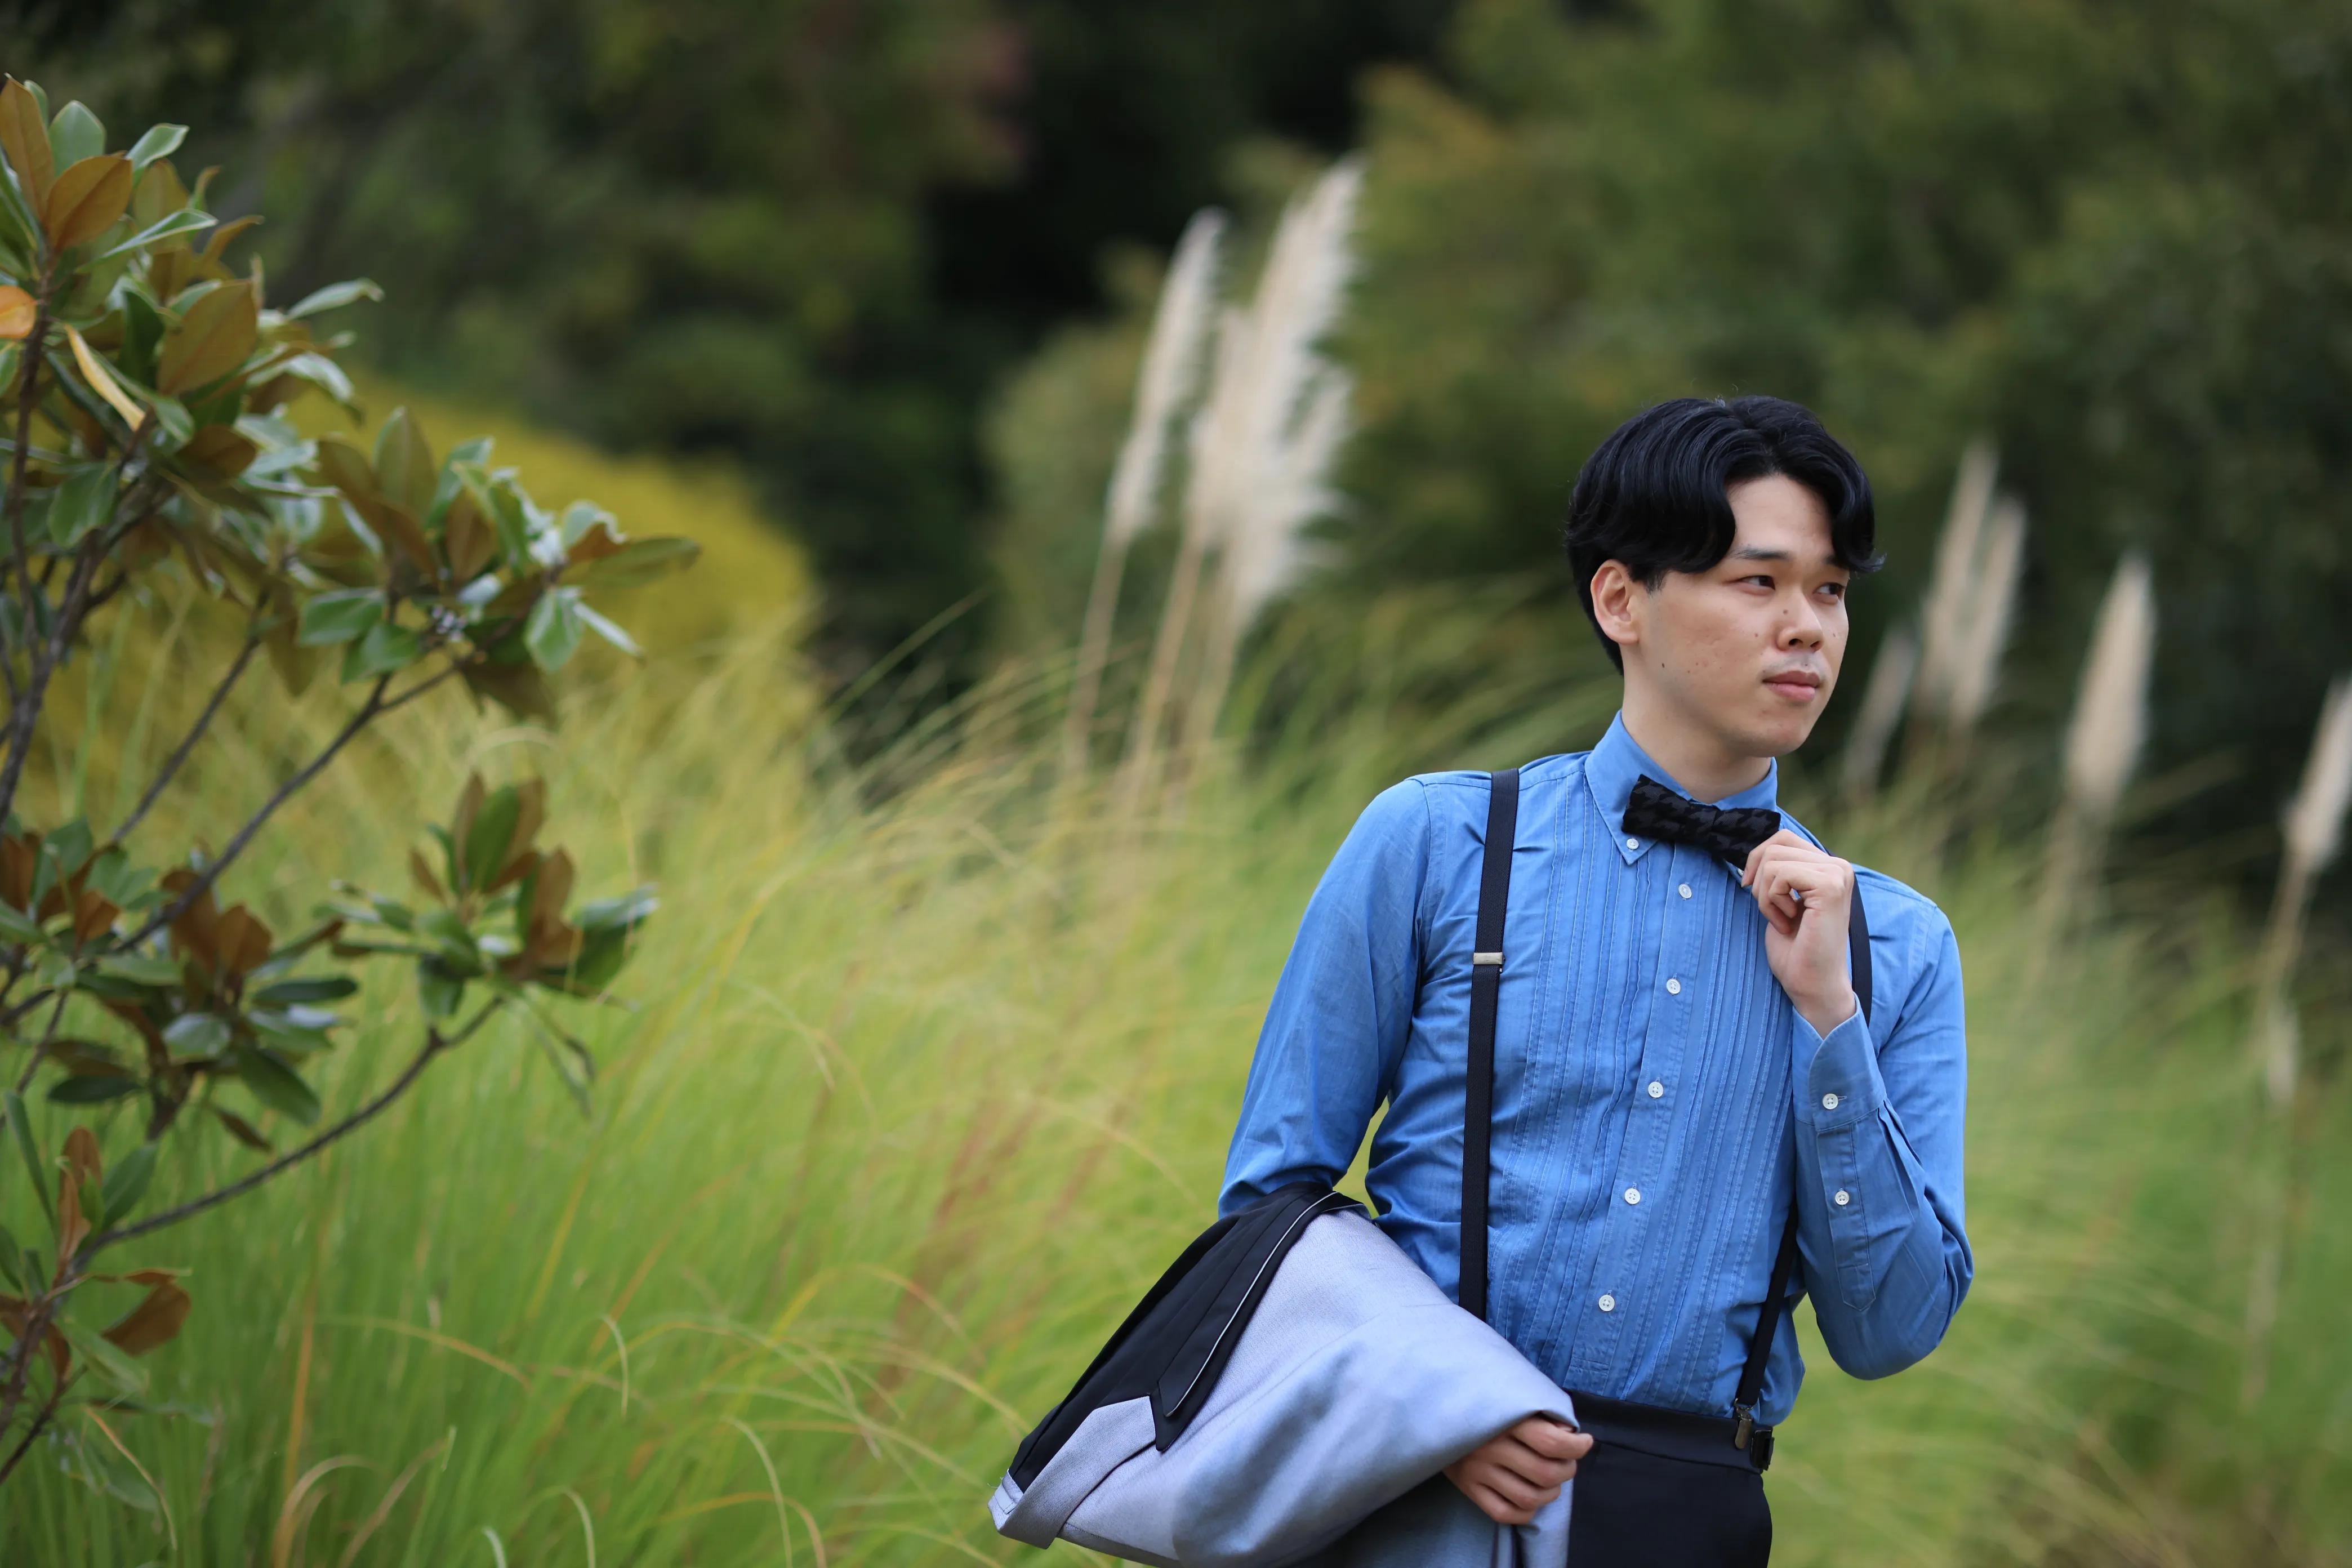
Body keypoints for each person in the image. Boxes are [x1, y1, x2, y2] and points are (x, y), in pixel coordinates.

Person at [1219, 396, 1972, 1564]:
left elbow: (1892, 1329)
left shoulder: (1896, 946)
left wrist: (1831, 1017)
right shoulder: (1437, 845)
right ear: (1622, 599)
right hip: (1414, 1495)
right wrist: (1432, 1402)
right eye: (1758, 582)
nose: (1807, 629)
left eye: (1830, 591)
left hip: (1687, 1520)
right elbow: (1273, 1198)